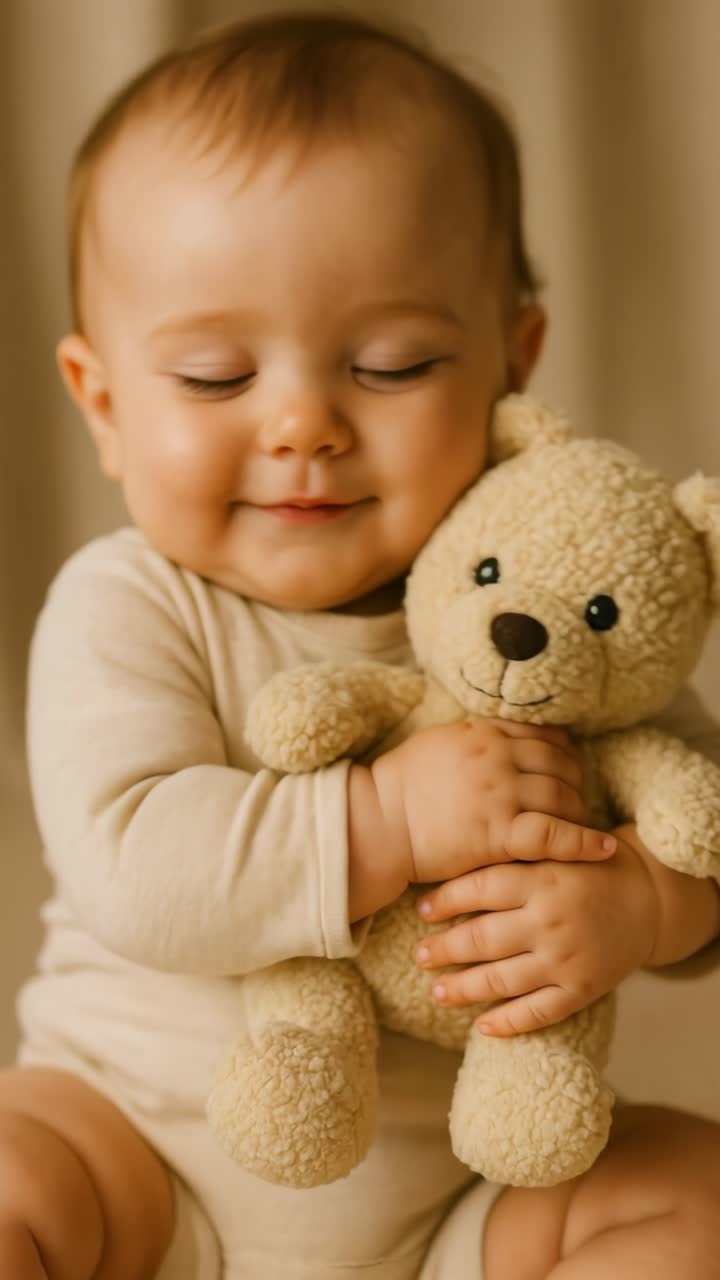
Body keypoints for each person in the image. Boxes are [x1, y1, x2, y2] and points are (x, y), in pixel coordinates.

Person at [3, 11, 720, 1279]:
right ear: (105, 405)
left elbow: (704, 821)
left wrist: (645, 908)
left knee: (698, 1194)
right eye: (217, 378)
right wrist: (385, 821)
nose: (302, 425)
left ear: (513, 362)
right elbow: (137, 867)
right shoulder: (132, 604)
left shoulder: (554, 611)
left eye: (392, 364)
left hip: (466, 1192)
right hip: (135, 1148)